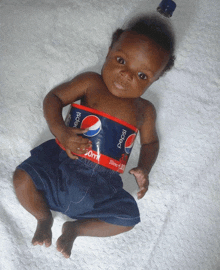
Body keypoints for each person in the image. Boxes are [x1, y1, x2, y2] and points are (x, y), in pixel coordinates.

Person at [13, 14, 175, 258]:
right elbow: (53, 99)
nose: (127, 75)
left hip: (102, 185)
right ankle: (43, 217)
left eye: (143, 76)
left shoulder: (145, 110)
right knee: (22, 178)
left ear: (157, 78)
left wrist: (144, 168)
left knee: (128, 219)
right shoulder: (91, 82)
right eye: (121, 60)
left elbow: (150, 143)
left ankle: (75, 229)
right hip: (63, 164)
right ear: (110, 50)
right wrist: (61, 131)